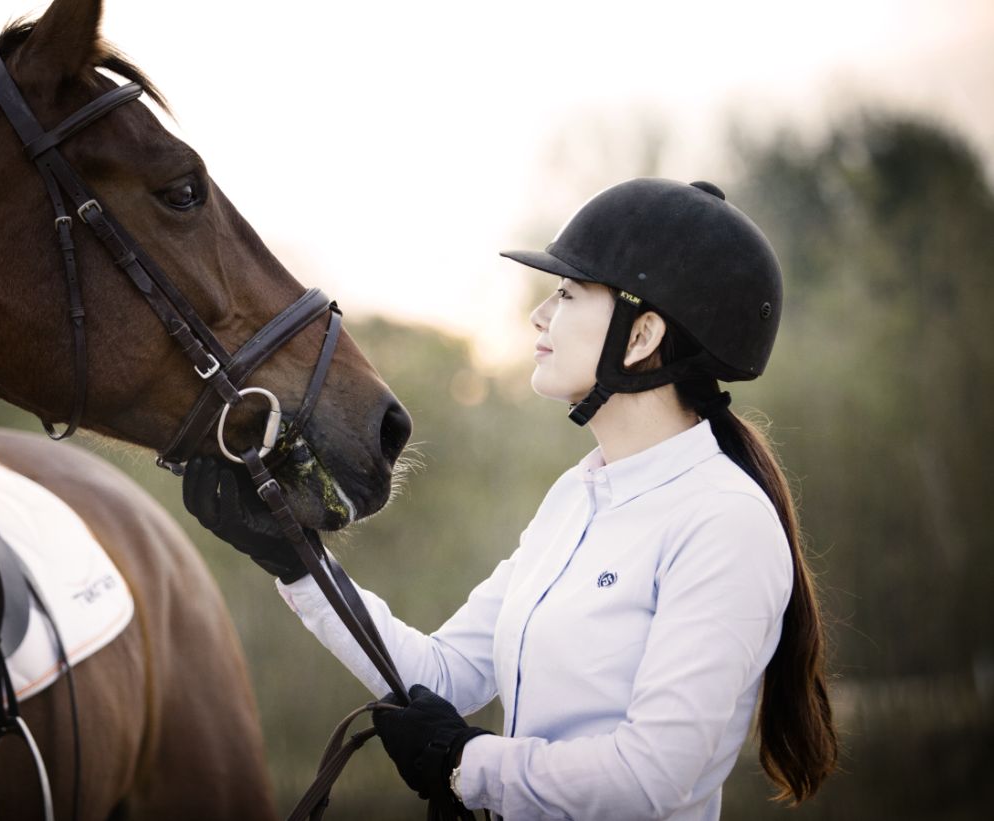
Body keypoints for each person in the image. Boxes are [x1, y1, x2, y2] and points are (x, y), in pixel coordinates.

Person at [184, 178, 838, 820]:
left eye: (568, 293)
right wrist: (298, 561)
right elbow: (442, 675)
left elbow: (653, 776)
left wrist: (467, 764)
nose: (538, 314)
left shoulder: (725, 521)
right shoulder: (574, 498)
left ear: (641, 338)